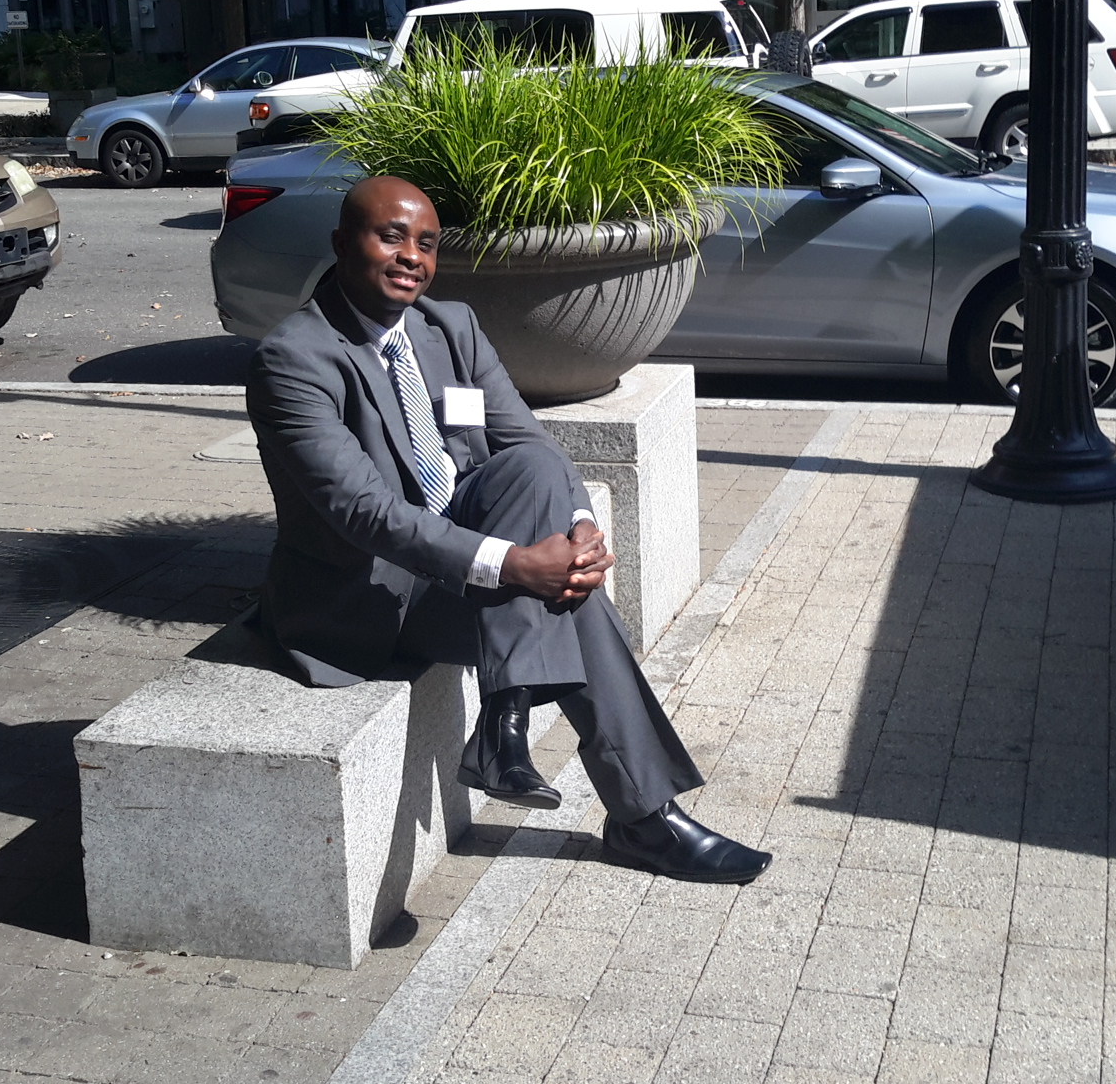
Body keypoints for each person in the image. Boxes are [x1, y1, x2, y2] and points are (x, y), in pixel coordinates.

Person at [244, 175, 771, 885]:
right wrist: (517, 566)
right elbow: (364, 513)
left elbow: (530, 443)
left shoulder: (449, 327)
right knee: (575, 605)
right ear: (342, 244)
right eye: (391, 237)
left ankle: (506, 721)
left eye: (427, 243)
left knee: (533, 470)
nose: (412, 257)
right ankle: (643, 820)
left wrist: (580, 533)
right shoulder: (293, 359)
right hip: (370, 594)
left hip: (461, 554)